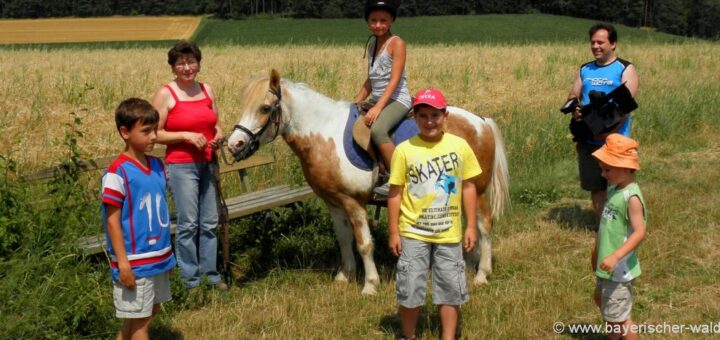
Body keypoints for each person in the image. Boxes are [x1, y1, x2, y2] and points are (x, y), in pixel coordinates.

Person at [387, 88, 479, 340]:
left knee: (450, 288)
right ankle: (408, 335)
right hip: (413, 232)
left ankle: (448, 337)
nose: (429, 122)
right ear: (414, 118)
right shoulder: (404, 150)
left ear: (445, 115)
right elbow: (395, 193)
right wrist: (394, 231)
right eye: (423, 115)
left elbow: (469, 186)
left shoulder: (459, 146)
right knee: (411, 287)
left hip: (448, 232)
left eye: (435, 115)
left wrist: (471, 226)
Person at [151, 41, 227, 290]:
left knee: (209, 222)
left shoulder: (207, 90)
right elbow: (154, 133)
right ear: (173, 67)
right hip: (181, 166)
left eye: (191, 62)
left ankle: (211, 275)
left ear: (198, 63)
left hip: (207, 163)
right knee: (189, 224)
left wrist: (219, 135)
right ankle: (190, 281)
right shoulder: (166, 94)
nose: (187, 67)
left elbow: (215, 123)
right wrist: (185, 136)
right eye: (181, 63)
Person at [101, 98, 177, 339]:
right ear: (125, 132)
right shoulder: (118, 172)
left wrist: (168, 257)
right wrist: (123, 263)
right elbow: (112, 221)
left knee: (146, 315)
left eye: (155, 129)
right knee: (141, 324)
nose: (154, 136)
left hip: (158, 257)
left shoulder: (157, 165)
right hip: (135, 261)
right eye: (146, 131)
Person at [567, 23, 639, 218]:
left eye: (601, 42)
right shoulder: (585, 69)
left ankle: (624, 224)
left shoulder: (625, 68)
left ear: (613, 44)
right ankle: (604, 226)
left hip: (616, 139)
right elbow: (574, 94)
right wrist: (574, 108)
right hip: (589, 140)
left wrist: (607, 133)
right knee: (596, 186)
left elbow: (624, 108)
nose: (596, 46)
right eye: (593, 42)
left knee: (620, 185)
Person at [590, 133, 646, 340]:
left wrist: (615, 256)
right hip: (606, 266)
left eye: (607, 169)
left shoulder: (631, 197)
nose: (603, 174)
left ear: (624, 167)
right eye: (602, 168)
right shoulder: (614, 187)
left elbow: (639, 232)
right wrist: (597, 250)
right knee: (615, 314)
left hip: (618, 269)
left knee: (617, 321)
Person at [353, 0, 412, 195]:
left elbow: (394, 80)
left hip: (397, 99)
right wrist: (357, 99)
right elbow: (372, 78)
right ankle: (374, 170)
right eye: (373, 20)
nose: (378, 25)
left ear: (392, 21)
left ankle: (399, 178)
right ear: (367, 22)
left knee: (378, 129)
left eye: (383, 20)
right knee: (350, 117)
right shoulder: (371, 44)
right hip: (378, 98)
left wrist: (378, 107)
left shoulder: (397, 43)